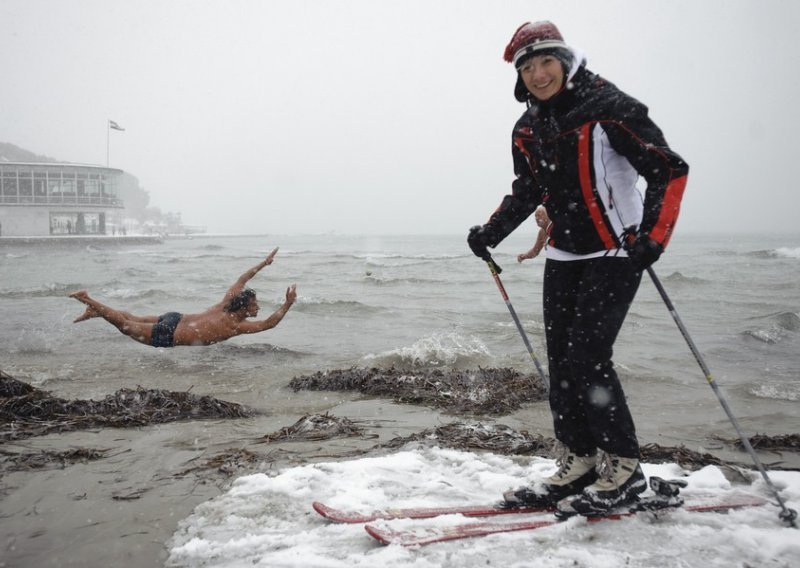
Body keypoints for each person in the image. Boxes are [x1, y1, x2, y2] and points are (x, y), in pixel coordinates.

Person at [467, 21, 688, 516]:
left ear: (565, 61)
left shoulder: (609, 107)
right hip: (565, 253)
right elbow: (528, 190)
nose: (538, 74)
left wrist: (653, 236)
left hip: (616, 250)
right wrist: (490, 232)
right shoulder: (527, 128)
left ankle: (626, 469)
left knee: (588, 357)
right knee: (562, 366)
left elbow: (668, 168)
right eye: (527, 67)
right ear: (519, 78)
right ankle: (581, 462)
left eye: (545, 62)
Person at [70, 247, 297, 348]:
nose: (258, 308)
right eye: (254, 305)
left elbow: (242, 279)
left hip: (174, 318)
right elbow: (269, 324)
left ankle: (95, 310)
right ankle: (88, 300)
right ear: (244, 307)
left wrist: (263, 264)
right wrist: (287, 304)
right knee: (125, 325)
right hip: (169, 334)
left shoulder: (226, 304)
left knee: (132, 317)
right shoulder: (235, 326)